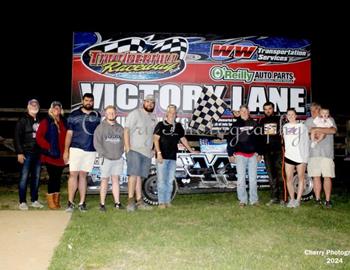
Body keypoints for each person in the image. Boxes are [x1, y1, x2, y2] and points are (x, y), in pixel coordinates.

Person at [153, 104, 196, 208]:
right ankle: (161, 203)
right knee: (161, 180)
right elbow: (155, 139)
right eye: (170, 112)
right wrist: (158, 153)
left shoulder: (179, 126)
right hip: (162, 157)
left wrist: (191, 150)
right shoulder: (160, 125)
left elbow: (183, 139)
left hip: (172, 158)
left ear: (176, 114)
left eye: (174, 112)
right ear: (167, 113)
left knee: (169, 180)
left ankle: (168, 202)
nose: (172, 114)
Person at [63, 93, 101, 212]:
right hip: (75, 148)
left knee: (83, 176)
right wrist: (66, 151)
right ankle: (70, 202)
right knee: (73, 175)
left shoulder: (97, 115)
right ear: (82, 101)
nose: (88, 102)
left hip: (90, 150)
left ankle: (82, 202)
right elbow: (69, 133)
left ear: (93, 102)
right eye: (86, 100)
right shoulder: (74, 114)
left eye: (90, 101)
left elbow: (99, 134)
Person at [124, 94, 157, 212]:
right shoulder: (135, 113)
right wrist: (128, 148)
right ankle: (130, 201)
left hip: (146, 152)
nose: (150, 104)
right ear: (144, 102)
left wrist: (153, 148)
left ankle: (139, 201)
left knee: (140, 177)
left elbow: (153, 136)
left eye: (152, 103)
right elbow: (126, 130)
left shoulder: (154, 118)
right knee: (133, 175)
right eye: (148, 102)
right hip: (134, 150)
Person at [227, 105, 263, 207]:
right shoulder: (235, 124)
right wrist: (230, 154)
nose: (243, 112)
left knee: (253, 179)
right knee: (241, 179)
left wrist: (259, 153)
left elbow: (260, 140)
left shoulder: (255, 124)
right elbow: (230, 139)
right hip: (240, 155)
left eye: (245, 110)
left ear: (248, 111)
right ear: (239, 112)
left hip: (252, 155)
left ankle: (254, 200)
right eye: (241, 111)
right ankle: (242, 200)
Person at [305, 103, 337, 208]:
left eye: (315, 110)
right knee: (315, 177)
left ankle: (327, 200)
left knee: (327, 177)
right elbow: (307, 134)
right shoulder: (308, 121)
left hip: (327, 153)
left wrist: (316, 129)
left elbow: (333, 130)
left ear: (319, 110)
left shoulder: (329, 119)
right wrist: (316, 131)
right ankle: (317, 200)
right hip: (313, 153)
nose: (312, 112)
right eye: (311, 110)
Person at [36, 101, 67, 209]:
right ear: (51, 109)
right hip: (50, 155)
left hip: (61, 156)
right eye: (54, 108)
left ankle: (56, 200)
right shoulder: (46, 121)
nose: (56, 110)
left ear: (61, 110)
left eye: (58, 108)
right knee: (53, 177)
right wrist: (48, 147)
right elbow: (39, 137)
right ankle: (51, 202)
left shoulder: (64, 121)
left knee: (58, 178)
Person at [14, 99, 44, 210]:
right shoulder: (22, 120)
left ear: (39, 107)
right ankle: (22, 202)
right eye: (32, 104)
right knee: (24, 177)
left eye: (36, 104)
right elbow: (16, 137)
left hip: (38, 153)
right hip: (26, 153)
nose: (34, 106)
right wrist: (19, 153)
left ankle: (34, 200)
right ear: (28, 106)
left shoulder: (40, 120)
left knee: (36, 177)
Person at [93, 105, 124, 212]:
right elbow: (96, 143)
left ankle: (117, 203)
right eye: (109, 113)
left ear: (116, 114)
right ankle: (102, 204)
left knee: (116, 180)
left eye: (113, 113)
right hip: (106, 159)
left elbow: (124, 142)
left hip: (117, 158)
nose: (111, 114)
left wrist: (120, 153)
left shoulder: (120, 128)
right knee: (104, 180)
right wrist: (103, 154)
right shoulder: (100, 127)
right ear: (105, 114)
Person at [282, 108, 309, 208]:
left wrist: (305, 158)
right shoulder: (285, 127)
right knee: (289, 178)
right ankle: (292, 199)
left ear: (296, 115)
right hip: (289, 156)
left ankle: (298, 200)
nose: (290, 116)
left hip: (300, 157)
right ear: (286, 116)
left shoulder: (302, 126)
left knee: (300, 178)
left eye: (292, 114)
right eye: (288, 115)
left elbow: (306, 142)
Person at [259, 101, 284, 205]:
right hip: (267, 151)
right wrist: (260, 151)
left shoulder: (279, 119)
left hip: (277, 150)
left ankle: (283, 197)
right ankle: (274, 198)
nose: (268, 111)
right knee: (271, 175)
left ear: (273, 109)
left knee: (280, 175)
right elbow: (260, 137)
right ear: (263, 110)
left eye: (269, 108)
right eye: (266, 109)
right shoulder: (262, 121)